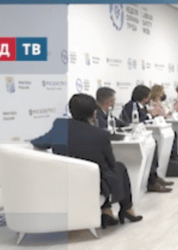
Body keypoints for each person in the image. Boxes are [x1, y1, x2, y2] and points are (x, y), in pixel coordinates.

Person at [32, 94, 142, 228]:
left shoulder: (60, 126)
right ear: (94, 113)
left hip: (65, 181)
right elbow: (111, 163)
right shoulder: (100, 135)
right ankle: (126, 209)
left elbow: (39, 143)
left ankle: (107, 211)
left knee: (103, 172)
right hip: (94, 184)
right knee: (118, 168)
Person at [120, 85, 171, 192]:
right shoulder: (131, 106)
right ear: (144, 97)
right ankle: (151, 181)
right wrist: (151, 115)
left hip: (141, 133)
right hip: (133, 136)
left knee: (153, 142)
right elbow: (137, 120)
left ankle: (154, 176)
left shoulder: (141, 106)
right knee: (151, 143)